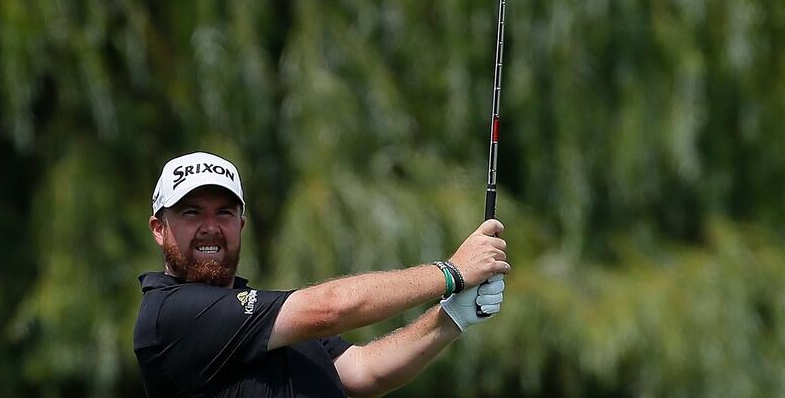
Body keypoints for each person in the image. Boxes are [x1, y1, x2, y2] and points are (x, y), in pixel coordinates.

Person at [133, 151, 509, 397]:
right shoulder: (169, 314)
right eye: (191, 212)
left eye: (224, 213)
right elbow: (329, 308)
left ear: (241, 224)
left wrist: (452, 316)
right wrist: (452, 272)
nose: (210, 226)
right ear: (158, 228)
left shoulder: (262, 321)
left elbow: (365, 371)